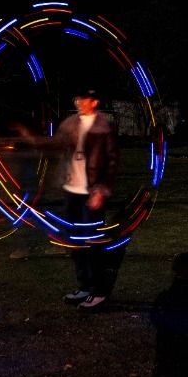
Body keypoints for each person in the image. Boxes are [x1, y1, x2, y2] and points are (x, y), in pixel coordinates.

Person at [55, 87, 120, 310]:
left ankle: (99, 291)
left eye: (83, 99)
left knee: (93, 243)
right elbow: (56, 147)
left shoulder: (103, 127)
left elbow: (111, 161)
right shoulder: (70, 124)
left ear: (94, 102)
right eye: (77, 98)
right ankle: (84, 286)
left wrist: (101, 190)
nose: (78, 102)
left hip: (91, 194)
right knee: (76, 243)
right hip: (71, 191)